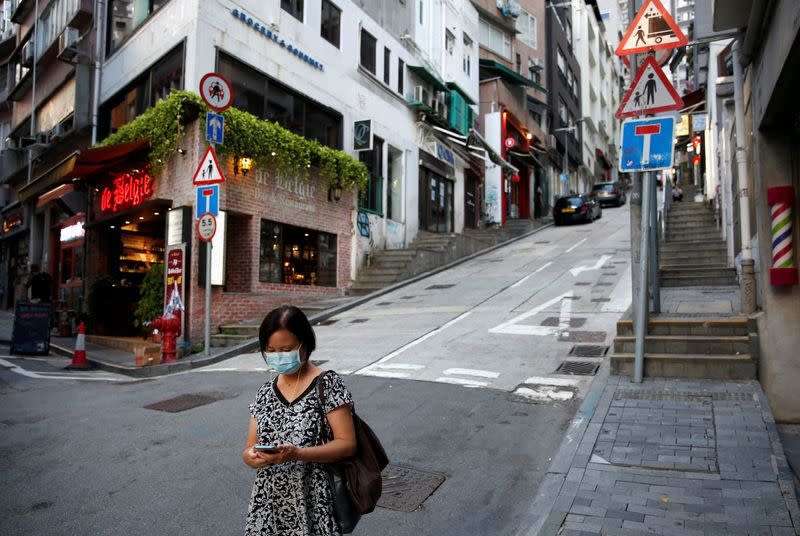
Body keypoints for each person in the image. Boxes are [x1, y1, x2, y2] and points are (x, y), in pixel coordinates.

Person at [243, 305, 357, 536]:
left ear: (305, 345)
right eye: (271, 350)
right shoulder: (265, 392)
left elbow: (348, 444)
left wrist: (297, 454)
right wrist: (250, 457)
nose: (278, 356)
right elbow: (249, 446)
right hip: (267, 507)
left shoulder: (327, 385)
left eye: (286, 349)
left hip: (313, 504)